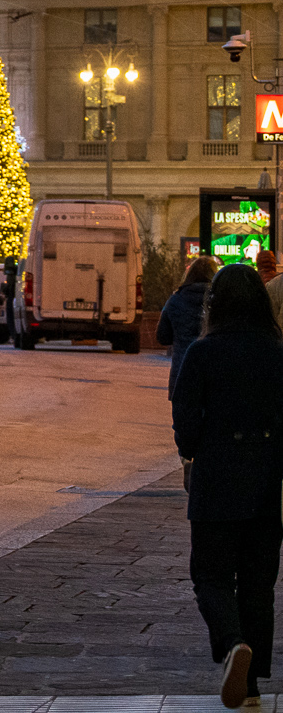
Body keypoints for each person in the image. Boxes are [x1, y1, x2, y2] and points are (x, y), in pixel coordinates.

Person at [172, 261, 283, 709]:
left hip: (217, 478)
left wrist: (190, 453)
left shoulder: (204, 352)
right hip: (267, 482)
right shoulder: (277, 352)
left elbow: (185, 417)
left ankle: (233, 643)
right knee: (258, 584)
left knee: (211, 575)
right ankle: (251, 684)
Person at [162, 256, 219, 397]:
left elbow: (162, 336)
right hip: (212, 375)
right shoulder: (219, 301)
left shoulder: (175, 300)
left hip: (181, 374)